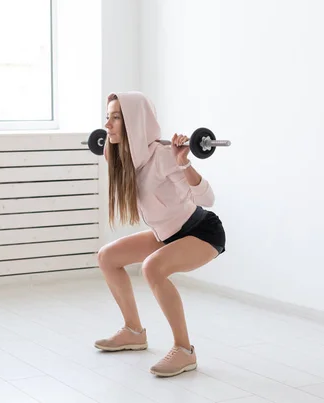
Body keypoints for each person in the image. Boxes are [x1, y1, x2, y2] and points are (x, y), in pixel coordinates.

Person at [94, 91, 226, 377]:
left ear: (135, 121)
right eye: (108, 117)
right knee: (108, 257)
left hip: (202, 231)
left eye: (116, 118)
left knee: (152, 267)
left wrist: (184, 162)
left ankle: (184, 351)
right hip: (166, 234)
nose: (108, 125)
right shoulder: (125, 158)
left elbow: (208, 198)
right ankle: (133, 331)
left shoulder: (164, 155)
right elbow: (110, 150)